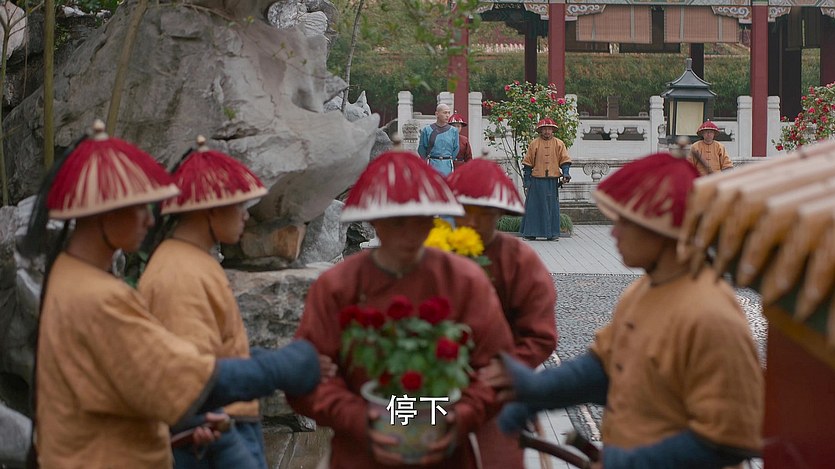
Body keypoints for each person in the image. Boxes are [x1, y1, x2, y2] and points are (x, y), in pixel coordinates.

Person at [21, 120, 329, 467]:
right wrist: (287, 366)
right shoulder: (100, 296)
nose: (150, 220)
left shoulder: (73, 276)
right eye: (140, 207)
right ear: (102, 213)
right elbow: (185, 379)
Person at [481, 152, 764, 468]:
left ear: (663, 230)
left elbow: (729, 439)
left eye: (624, 222)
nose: (613, 233)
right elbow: (604, 368)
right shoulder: (642, 290)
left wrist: (633, 462)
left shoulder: (712, 316)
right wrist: (538, 391)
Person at [288, 151, 514, 469]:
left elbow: (497, 369)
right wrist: (360, 419)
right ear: (374, 221)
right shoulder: (338, 286)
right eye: (397, 222)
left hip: (446, 446)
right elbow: (306, 378)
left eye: (421, 220)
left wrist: (459, 416)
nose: (410, 234)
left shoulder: (464, 281)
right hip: (362, 451)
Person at [138, 136, 275, 468]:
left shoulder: (192, 259)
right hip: (216, 432)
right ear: (211, 208)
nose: (245, 216)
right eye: (238, 206)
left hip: (229, 421)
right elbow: (193, 377)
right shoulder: (178, 274)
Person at [446, 159, 558, 469]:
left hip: (497, 383)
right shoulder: (437, 253)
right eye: (465, 210)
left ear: (498, 214)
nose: (472, 222)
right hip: (438, 381)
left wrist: (510, 367)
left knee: (495, 457)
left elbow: (541, 335)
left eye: (484, 213)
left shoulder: (519, 261)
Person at [519, 117, 572, 241]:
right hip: (536, 181)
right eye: (545, 129)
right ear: (540, 130)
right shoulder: (534, 144)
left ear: (553, 130)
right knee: (533, 207)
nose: (547, 131)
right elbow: (527, 165)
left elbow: (565, 161)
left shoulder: (559, 144)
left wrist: (566, 173)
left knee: (552, 207)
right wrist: (527, 182)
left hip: (552, 182)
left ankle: (552, 234)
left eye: (549, 129)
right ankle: (530, 233)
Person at [417, 103, 459, 177]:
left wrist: (449, 159)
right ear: (437, 114)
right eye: (445, 113)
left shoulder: (454, 131)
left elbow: (456, 148)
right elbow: (422, 148)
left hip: (447, 164)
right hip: (432, 163)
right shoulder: (427, 130)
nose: (447, 115)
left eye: (448, 113)